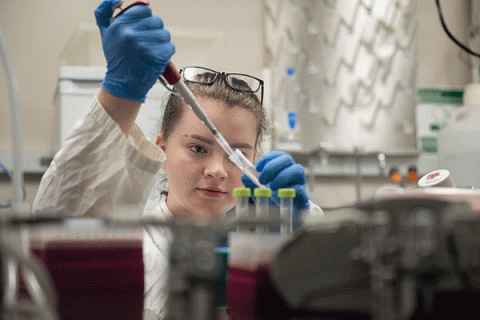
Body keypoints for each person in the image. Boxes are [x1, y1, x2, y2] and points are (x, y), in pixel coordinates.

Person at [32, 0, 323, 318]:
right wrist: (121, 92)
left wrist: (300, 244)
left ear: (256, 157)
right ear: (163, 148)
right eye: (198, 148)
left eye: (237, 154)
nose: (216, 171)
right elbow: (56, 241)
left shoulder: (275, 236)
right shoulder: (131, 239)